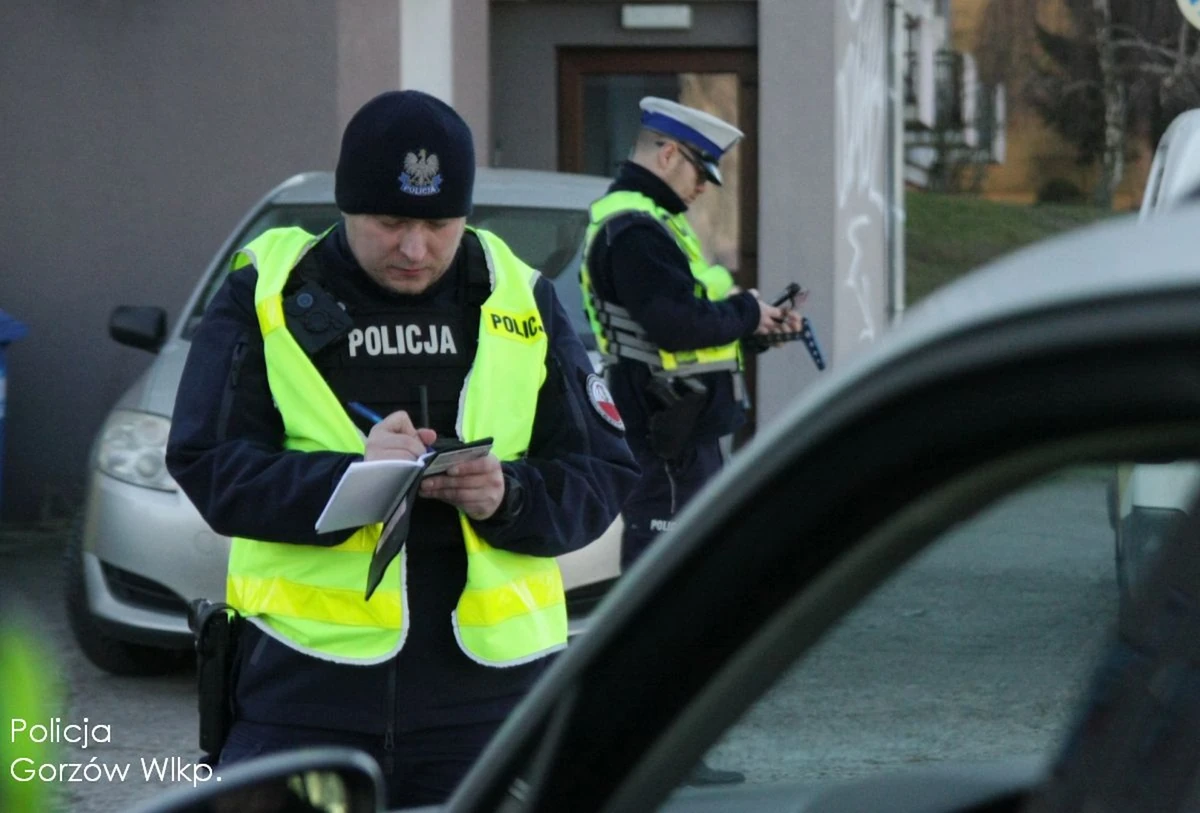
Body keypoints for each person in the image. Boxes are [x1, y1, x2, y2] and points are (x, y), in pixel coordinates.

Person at [166, 89, 639, 808]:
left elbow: (603, 475)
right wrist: (350, 481)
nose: (415, 249)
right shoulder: (267, 290)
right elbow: (206, 462)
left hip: (489, 705)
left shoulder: (522, 298)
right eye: (390, 223)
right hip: (303, 694)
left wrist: (509, 495)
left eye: (438, 225)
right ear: (346, 207)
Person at [579, 97, 801, 785]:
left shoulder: (655, 226)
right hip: (667, 441)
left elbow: (684, 335)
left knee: (668, 589)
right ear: (666, 154)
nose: (706, 185)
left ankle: (652, 743)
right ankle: (646, 746)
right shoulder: (636, 229)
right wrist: (744, 311)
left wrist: (755, 328)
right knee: (658, 595)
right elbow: (674, 323)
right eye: (701, 169)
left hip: (681, 436)